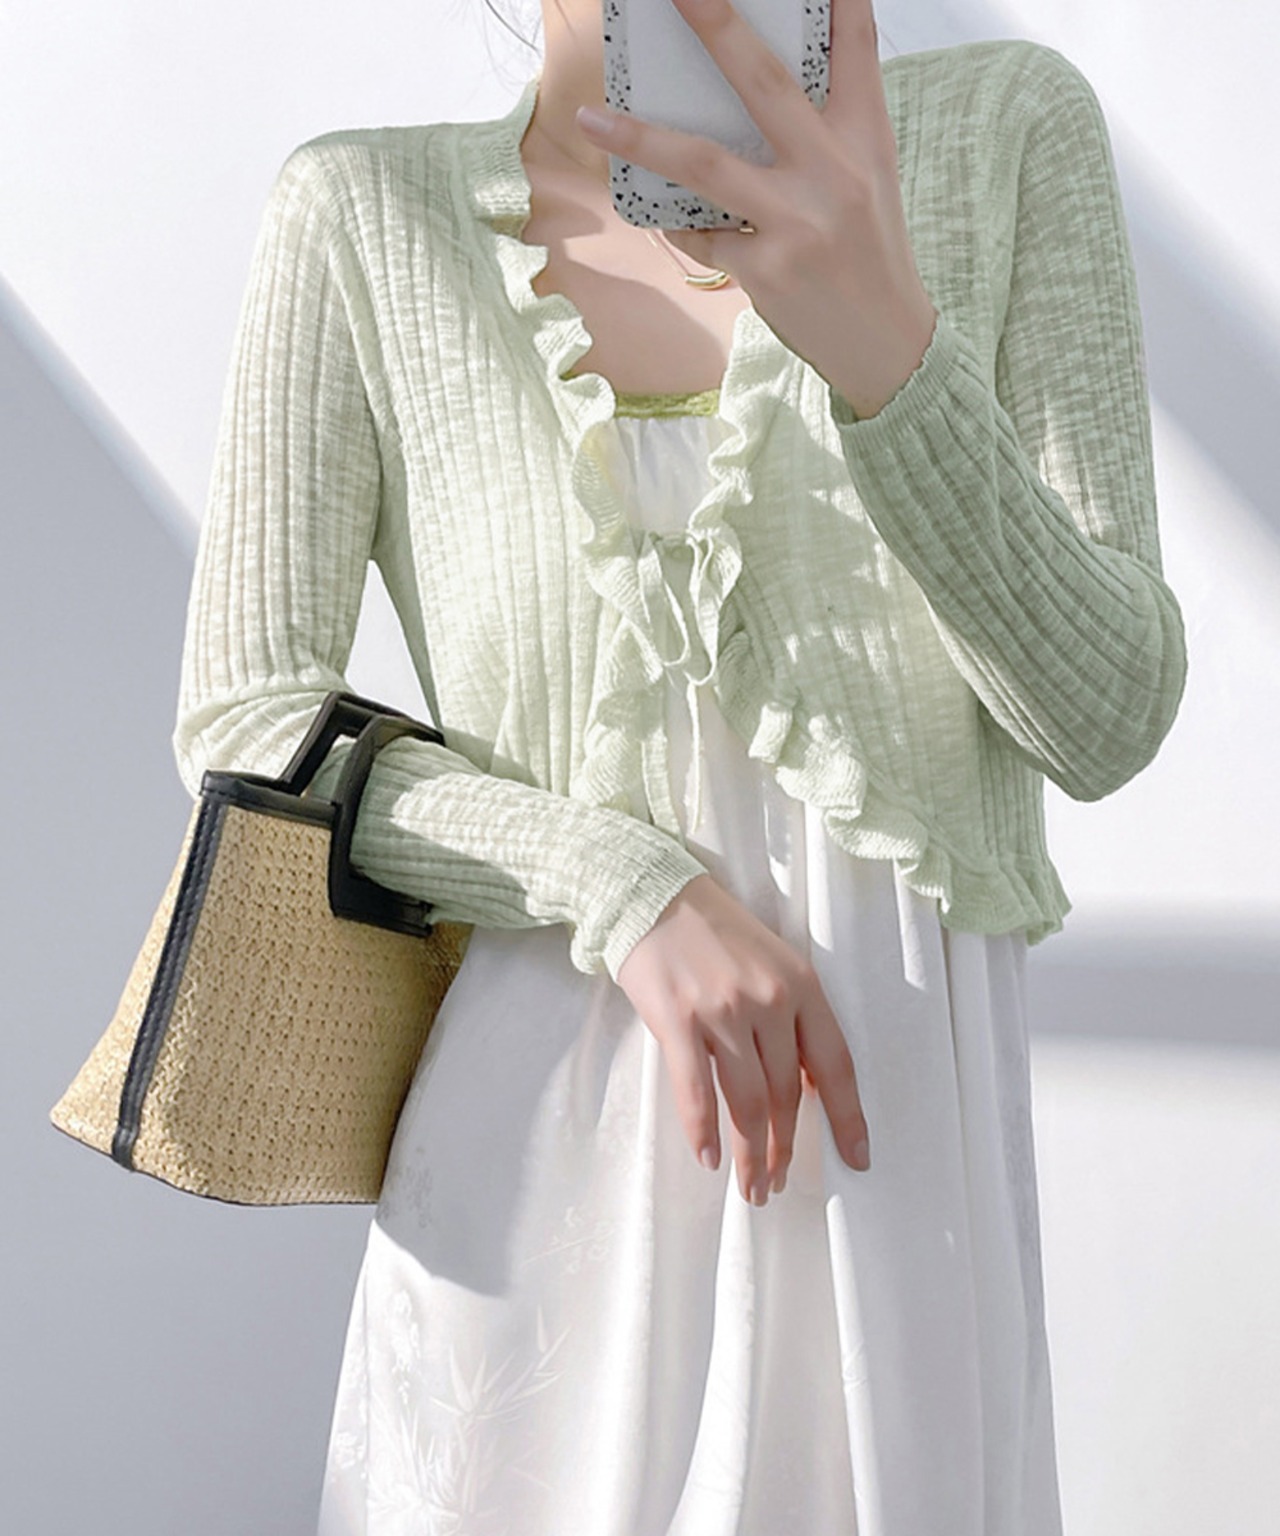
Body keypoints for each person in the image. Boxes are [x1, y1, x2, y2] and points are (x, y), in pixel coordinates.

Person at [171, 0, 1188, 1531]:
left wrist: (885, 347)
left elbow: (1104, 719)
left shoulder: (1006, 133)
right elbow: (249, 727)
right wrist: (621, 880)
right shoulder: (362, 214)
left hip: (893, 1198)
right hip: (538, 1202)